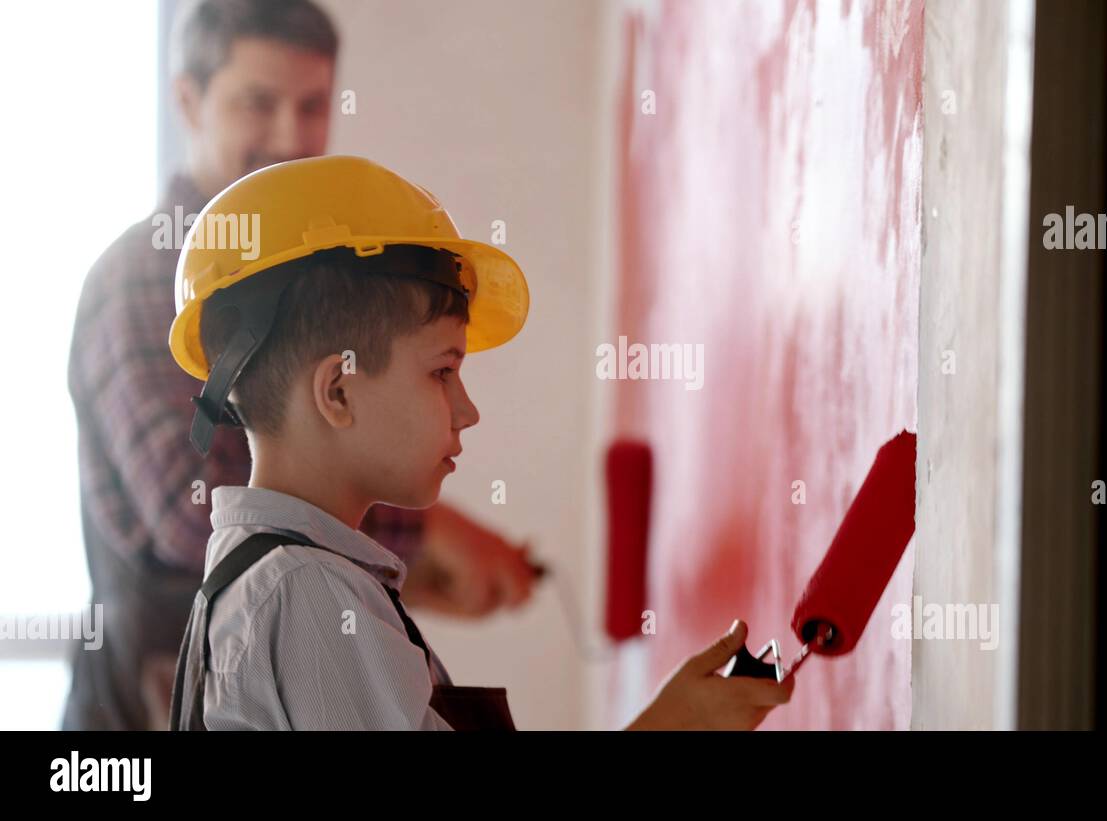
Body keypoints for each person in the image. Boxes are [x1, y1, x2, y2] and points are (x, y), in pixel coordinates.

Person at [169, 155, 795, 730]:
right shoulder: (304, 592)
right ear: (338, 390)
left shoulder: (279, 580)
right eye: (442, 371)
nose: (467, 411)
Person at [63, 0, 535, 731]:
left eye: (312, 104)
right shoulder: (139, 277)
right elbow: (187, 509)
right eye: (259, 102)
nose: (290, 135)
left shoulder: (300, 584)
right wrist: (430, 533)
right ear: (188, 98)